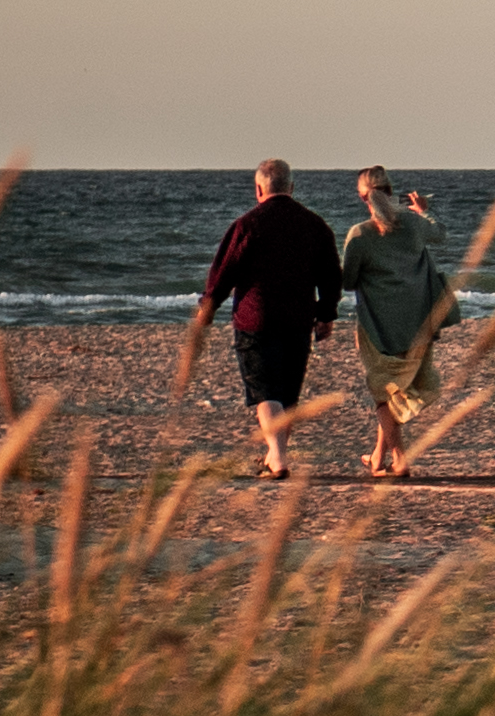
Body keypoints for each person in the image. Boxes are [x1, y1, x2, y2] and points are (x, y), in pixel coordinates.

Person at [194, 159, 345, 481]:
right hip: (297, 317)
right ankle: (275, 455)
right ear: (291, 188)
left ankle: (277, 459)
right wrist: (327, 314)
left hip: (256, 317)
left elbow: (224, 271)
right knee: (287, 393)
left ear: (259, 189)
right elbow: (332, 275)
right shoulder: (315, 225)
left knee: (265, 391)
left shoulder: (248, 224)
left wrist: (208, 307)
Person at [339, 166, 461, 478]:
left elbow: (348, 280)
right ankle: (379, 457)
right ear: (392, 191)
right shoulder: (413, 223)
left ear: (362, 198)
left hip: (379, 328)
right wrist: (424, 211)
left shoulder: (360, 234)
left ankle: (400, 458)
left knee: (383, 392)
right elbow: (441, 233)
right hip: (419, 324)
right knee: (395, 392)